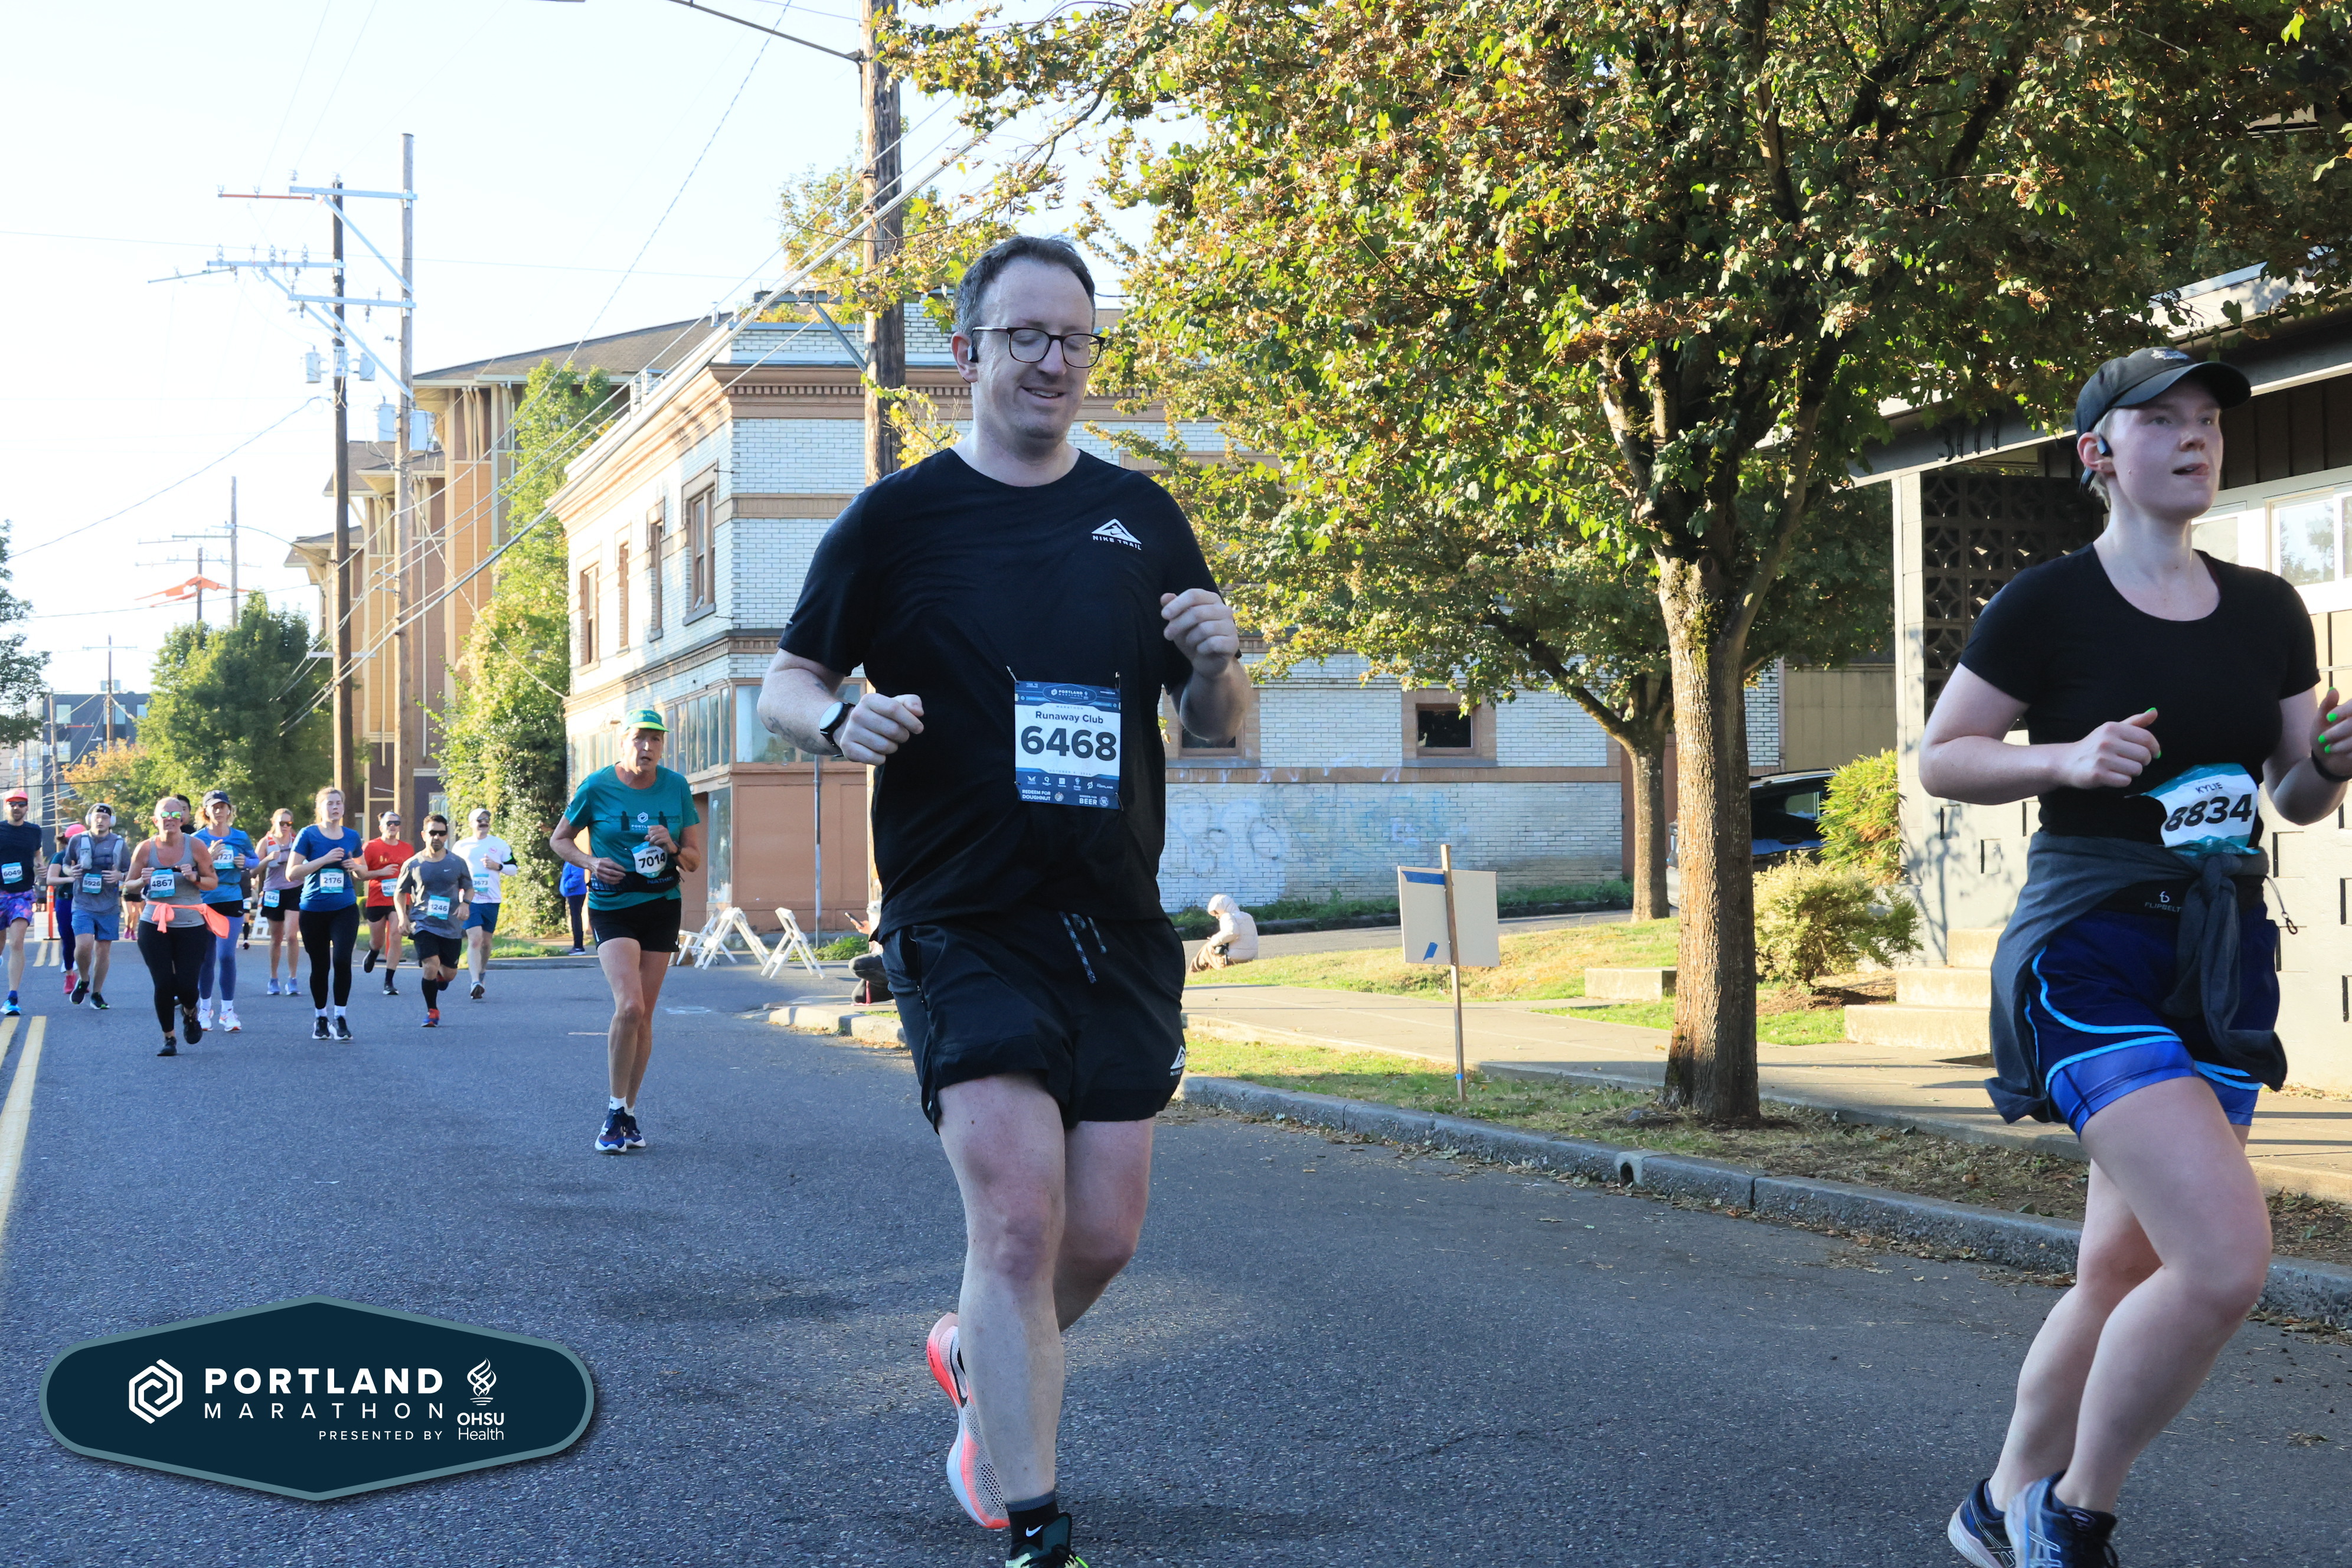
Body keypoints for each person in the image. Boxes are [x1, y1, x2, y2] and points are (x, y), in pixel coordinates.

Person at [756, 234, 1250, 1568]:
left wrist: (1218, 663)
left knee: (1104, 1235)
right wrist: (839, 719)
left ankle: (974, 1356)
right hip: (960, 912)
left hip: (1114, 916)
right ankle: (1033, 1516)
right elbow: (788, 681)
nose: (1052, 361)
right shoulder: (896, 520)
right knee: (1019, 1221)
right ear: (966, 351)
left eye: (1074, 338)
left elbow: (1212, 724)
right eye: (1025, 335)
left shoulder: (1140, 516)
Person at [1921, 348, 2342, 1568]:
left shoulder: (2267, 609)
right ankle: (2072, 1512)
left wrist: (2330, 764)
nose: (2194, 436)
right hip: (2088, 948)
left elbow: (2291, 791)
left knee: (2117, 1267)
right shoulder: (2045, 602)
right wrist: (2061, 758)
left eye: (2206, 419)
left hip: (2218, 958)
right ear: (2096, 452)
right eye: (2159, 419)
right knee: (2222, 1259)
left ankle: (1997, 1501)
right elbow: (1944, 754)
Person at [550, 710, 702, 1156]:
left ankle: (629, 1114)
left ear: (662, 746)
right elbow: (560, 840)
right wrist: (592, 863)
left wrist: (673, 846)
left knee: (646, 1015)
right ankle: (614, 1110)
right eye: (639, 738)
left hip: (662, 905)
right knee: (630, 1006)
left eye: (655, 739)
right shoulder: (597, 786)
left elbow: (694, 859)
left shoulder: (676, 786)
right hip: (613, 906)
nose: (647, 747)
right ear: (624, 743)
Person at [125, 795, 222, 1057]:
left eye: (176, 814)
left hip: (190, 923)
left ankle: (190, 1013)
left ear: (183, 818)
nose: (170, 819)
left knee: (188, 986)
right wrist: (141, 881)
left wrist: (194, 877)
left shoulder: (196, 846)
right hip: (154, 923)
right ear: (155, 820)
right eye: (165, 815)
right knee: (164, 984)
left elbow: (213, 882)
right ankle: (169, 1038)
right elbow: (128, 885)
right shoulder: (145, 849)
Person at [287, 785, 365, 1041]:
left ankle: (340, 1017)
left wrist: (354, 866)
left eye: (338, 803)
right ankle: (321, 1017)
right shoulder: (308, 835)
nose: (335, 807)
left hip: (344, 908)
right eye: (329, 803)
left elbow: (363, 872)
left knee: (342, 960)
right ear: (320, 808)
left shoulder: (352, 836)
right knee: (320, 966)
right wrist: (324, 859)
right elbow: (292, 873)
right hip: (314, 909)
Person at [395, 812, 472, 1028]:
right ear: (424, 835)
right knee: (431, 964)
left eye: (441, 833)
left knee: (450, 974)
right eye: (432, 833)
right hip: (423, 923)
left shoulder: (457, 862)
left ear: (446, 836)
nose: (436, 837)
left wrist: (465, 903)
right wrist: (402, 917)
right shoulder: (413, 864)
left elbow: (469, 887)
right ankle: (432, 1011)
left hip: (450, 925)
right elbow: (400, 893)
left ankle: (441, 976)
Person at [53, 803, 128, 1010]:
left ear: (111, 821)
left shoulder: (119, 843)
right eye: (97, 817)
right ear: (90, 819)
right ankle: (84, 978)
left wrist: (120, 876)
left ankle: (97, 993)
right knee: (84, 945)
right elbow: (66, 865)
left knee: (103, 951)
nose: (100, 820)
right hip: (83, 903)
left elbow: (130, 872)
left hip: (109, 905)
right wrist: (71, 872)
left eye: (105, 817)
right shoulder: (77, 840)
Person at [191, 790, 253, 1034]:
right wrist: (208, 857)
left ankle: (228, 1010)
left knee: (226, 956)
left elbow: (255, 860)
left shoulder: (240, 836)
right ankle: (205, 1008)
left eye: (223, 806)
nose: (219, 811)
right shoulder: (196, 839)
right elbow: (187, 868)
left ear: (230, 810)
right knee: (206, 958)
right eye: (214, 807)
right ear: (206, 811)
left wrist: (245, 863)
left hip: (231, 897)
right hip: (205, 900)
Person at [452, 808, 514, 1002]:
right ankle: (475, 982)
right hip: (470, 899)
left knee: (486, 943)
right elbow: (452, 871)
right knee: (475, 939)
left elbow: (514, 869)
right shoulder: (461, 846)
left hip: (492, 900)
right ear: (471, 823)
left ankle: (482, 971)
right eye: (479, 820)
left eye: (486, 819)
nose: (483, 822)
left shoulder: (499, 844)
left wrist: (498, 866)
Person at [0, 786, 51, 1016]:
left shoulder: (34, 831)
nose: (17, 808)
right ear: (6, 807)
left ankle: (12, 997)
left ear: (27, 808)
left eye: (21, 804)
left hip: (22, 893)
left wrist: (41, 868)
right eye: (12, 804)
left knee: (17, 942)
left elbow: (37, 855)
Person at [360, 809, 414, 995]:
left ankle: (389, 981)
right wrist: (380, 873)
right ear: (381, 827)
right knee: (378, 941)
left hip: (399, 899)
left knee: (396, 934)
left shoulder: (407, 849)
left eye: (396, 823)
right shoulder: (371, 847)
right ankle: (374, 952)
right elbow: (359, 874)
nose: (393, 826)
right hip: (377, 898)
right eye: (389, 823)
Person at [256, 808, 303, 996]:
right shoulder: (266, 842)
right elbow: (253, 870)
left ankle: (293, 979)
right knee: (276, 938)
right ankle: (273, 978)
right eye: (281, 823)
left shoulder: (296, 840)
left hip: (295, 889)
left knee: (291, 935)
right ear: (273, 822)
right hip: (273, 891)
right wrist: (268, 859)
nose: (285, 826)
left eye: (288, 823)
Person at [1187, 893, 1259, 973]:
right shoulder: (1248, 917)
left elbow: (1232, 932)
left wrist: (1213, 941)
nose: (1217, 917)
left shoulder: (1227, 916)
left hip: (1230, 962)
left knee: (1208, 948)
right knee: (1212, 954)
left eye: (1217, 913)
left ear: (1222, 908)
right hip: (1249, 960)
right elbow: (1254, 940)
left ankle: (1192, 973)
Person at [54, 820, 80, 997]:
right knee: (69, 940)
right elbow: (50, 879)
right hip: (65, 901)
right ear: (66, 840)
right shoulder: (60, 857)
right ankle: (70, 975)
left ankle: (83, 978)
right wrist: (70, 879)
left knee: (85, 942)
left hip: (86, 902)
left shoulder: (92, 856)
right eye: (72, 840)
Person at [560, 856, 590, 954]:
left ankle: (578, 947)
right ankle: (577, 946)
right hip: (573, 893)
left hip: (576, 893)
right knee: (575, 919)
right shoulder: (570, 860)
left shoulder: (574, 860)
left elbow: (578, 876)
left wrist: (567, 886)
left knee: (576, 919)